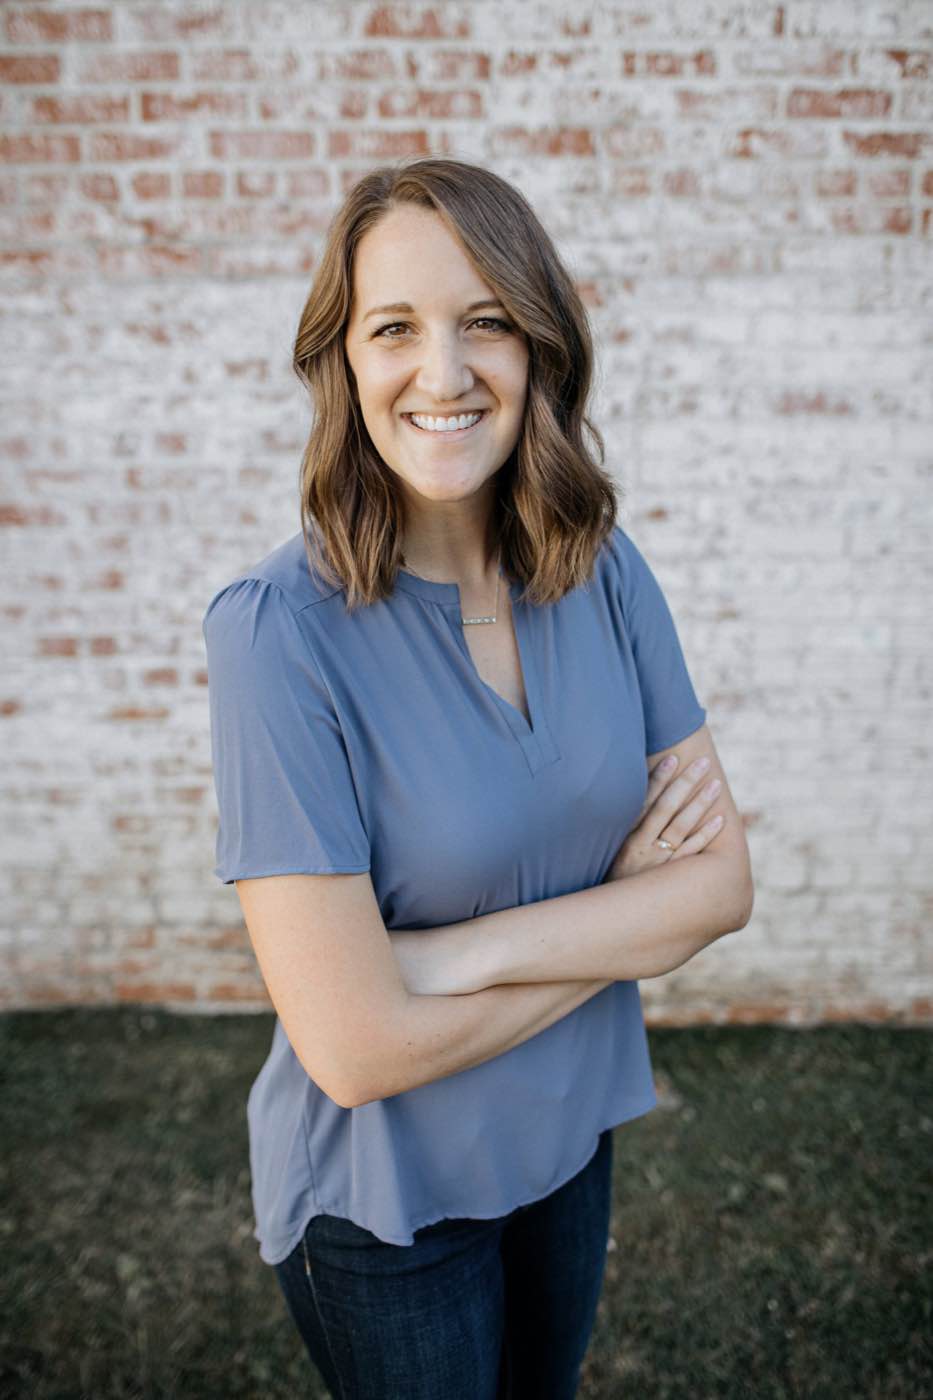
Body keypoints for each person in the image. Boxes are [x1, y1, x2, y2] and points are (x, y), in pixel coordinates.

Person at [202, 156, 754, 1400]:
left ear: (538, 346)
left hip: (571, 1134)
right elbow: (352, 1049)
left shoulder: (603, 569)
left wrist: (444, 955)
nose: (443, 373)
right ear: (344, 360)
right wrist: (626, 925)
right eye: (395, 327)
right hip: (390, 1201)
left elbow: (721, 886)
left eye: (486, 321)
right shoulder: (275, 632)